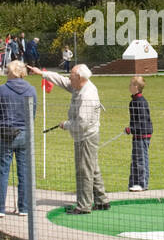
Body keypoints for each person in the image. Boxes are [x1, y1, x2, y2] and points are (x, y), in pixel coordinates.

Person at [31, 63, 107, 214]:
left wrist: (66, 124)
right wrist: (42, 73)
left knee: (84, 170)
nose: (69, 78)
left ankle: (83, 206)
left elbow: (82, 124)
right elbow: (61, 80)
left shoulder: (87, 96)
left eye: (71, 75)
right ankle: (102, 200)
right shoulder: (78, 85)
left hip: (86, 136)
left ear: (79, 77)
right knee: (92, 167)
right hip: (86, 135)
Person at [0, 60, 36, 217]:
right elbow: (33, 113)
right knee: (23, 172)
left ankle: (0, 208)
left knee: (3, 171)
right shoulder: (31, 90)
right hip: (25, 132)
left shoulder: (2, 90)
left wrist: (0, 127)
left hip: (5, 133)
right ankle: (23, 208)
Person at [125, 75, 153, 192]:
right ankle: (133, 183)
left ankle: (142, 184)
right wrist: (131, 128)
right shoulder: (133, 101)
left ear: (136, 87)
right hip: (137, 134)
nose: (129, 86)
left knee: (141, 159)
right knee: (135, 159)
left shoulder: (140, 102)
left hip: (142, 134)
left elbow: (141, 119)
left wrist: (132, 129)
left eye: (131, 84)